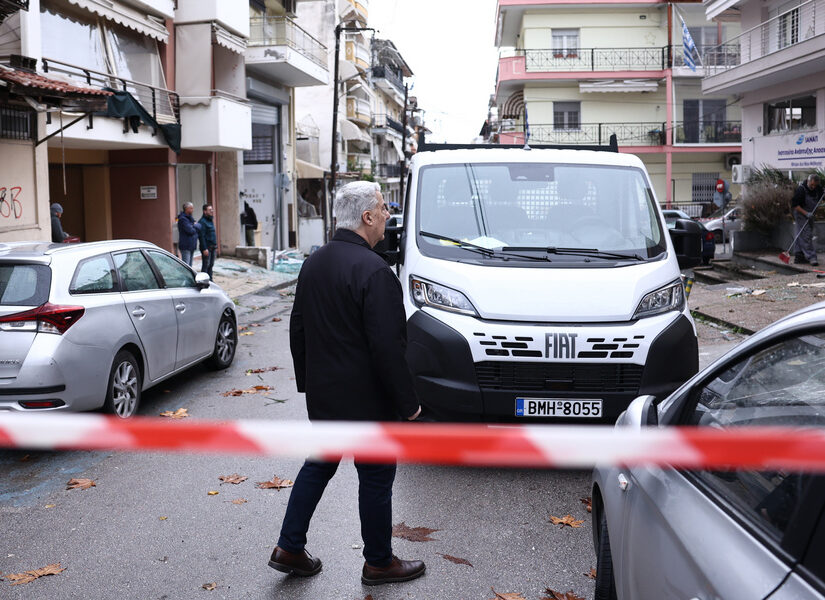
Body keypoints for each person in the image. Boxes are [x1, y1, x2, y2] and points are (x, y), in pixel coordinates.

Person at [269, 181, 425, 586]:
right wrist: (408, 404)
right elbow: (388, 347)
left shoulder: (314, 263)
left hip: (326, 394)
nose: (388, 217)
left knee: (319, 464)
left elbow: (298, 329)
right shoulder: (375, 271)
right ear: (367, 217)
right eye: (383, 210)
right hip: (369, 400)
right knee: (375, 477)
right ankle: (378, 562)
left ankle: (289, 545)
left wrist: (309, 384)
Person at [791, 174, 823, 266]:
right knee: (806, 235)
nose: (813, 187)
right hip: (800, 213)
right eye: (812, 185)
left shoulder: (818, 188)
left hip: (811, 214)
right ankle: (812, 257)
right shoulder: (801, 190)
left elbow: (821, 197)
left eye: (815, 185)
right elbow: (795, 205)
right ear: (808, 181)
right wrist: (806, 213)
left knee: (800, 234)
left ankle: (799, 256)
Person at [177, 202, 200, 266]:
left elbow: (199, 226)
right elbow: (190, 231)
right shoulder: (183, 219)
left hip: (191, 245)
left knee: (190, 266)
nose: (193, 210)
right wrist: (195, 225)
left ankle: (190, 276)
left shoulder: (190, 218)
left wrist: (194, 225)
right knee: (186, 266)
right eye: (191, 208)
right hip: (186, 246)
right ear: (186, 209)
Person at [198, 204, 217, 278]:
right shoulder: (202, 222)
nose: (212, 211)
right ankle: (203, 280)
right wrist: (204, 248)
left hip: (213, 246)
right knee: (206, 265)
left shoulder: (210, 220)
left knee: (211, 265)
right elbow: (201, 236)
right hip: (207, 248)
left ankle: (210, 280)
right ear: (205, 211)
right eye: (210, 210)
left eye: (212, 209)